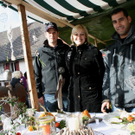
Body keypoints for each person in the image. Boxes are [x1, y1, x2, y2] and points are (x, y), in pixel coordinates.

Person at [101, 8, 135, 113]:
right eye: (115, 22)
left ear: (129, 19)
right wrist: (106, 98)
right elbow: (107, 75)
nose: (118, 24)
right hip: (117, 106)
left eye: (121, 19)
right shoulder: (111, 49)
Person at [66, 24, 105, 112]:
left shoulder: (94, 51)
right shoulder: (69, 53)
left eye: (82, 34)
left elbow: (102, 73)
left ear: (86, 36)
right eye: (76, 34)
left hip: (92, 97)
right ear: (72, 37)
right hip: (75, 97)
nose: (79, 37)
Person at [34, 22, 69, 112]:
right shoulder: (40, 53)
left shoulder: (66, 49)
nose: (52, 35)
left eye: (54, 32)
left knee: (68, 119)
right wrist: (39, 94)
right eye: (49, 33)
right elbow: (36, 74)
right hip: (48, 95)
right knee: (52, 120)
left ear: (57, 33)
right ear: (46, 35)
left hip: (65, 92)